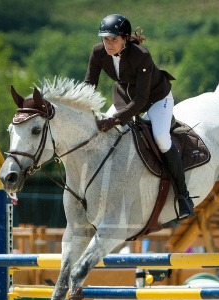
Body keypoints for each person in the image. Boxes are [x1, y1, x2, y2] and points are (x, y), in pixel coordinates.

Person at [84, 14, 194, 219]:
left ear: (124, 39)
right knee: (104, 136)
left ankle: (183, 195)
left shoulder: (141, 55)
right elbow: (89, 85)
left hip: (156, 98)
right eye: (105, 39)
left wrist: (115, 119)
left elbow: (142, 99)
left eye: (113, 39)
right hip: (125, 97)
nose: (108, 44)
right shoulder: (97, 52)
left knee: (161, 138)